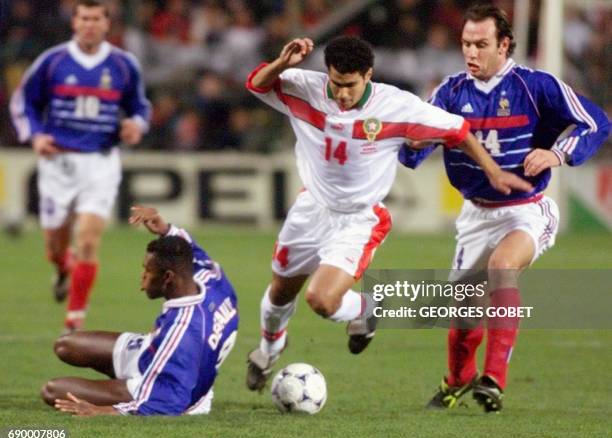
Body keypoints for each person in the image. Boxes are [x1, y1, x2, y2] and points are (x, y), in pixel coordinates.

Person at [244, 35, 533, 391]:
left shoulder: (397, 106)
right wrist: (283, 63)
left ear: (368, 75)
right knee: (279, 294)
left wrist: (492, 170)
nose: (342, 94)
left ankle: (366, 308)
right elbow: (256, 84)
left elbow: (459, 131)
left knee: (320, 300)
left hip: (359, 219)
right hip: (311, 208)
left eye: (350, 85)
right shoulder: (305, 87)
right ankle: (268, 351)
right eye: (336, 84)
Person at [399, 4, 610, 412]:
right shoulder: (449, 92)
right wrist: (413, 143)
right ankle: (458, 379)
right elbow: (410, 152)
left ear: (504, 45)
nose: (471, 53)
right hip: (475, 216)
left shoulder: (536, 85)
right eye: (465, 44)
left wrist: (556, 154)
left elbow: (596, 121)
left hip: (526, 209)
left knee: (502, 267)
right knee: (462, 318)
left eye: (481, 44)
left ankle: (494, 378)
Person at [9, 0, 151, 332]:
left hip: (101, 161)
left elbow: (139, 106)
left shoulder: (123, 64)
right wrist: (34, 137)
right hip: (57, 161)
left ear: (106, 24)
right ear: (74, 23)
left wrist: (135, 125)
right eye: (83, 18)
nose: (89, 24)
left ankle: (74, 319)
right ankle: (62, 267)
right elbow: (24, 102)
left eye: (96, 19)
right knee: (55, 245)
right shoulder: (53, 60)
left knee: (87, 240)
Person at [41, 206, 239, 416]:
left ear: (168, 277)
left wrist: (105, 411)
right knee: (64, 345)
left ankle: (124, 387)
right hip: (159, 353)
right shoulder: (210, 277)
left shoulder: (182, 330)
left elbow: (169, 402)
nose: (142, 278)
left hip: (169, 384)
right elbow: (187, 248)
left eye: (148, 271)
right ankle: (117, 384)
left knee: (51, 390)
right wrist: (164, 228)